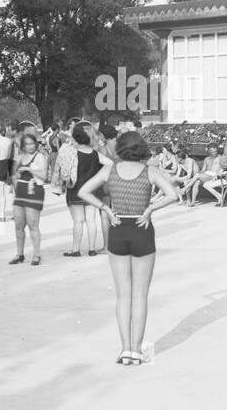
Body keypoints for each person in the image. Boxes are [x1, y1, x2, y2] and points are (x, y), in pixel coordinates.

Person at [77, 131, 179, 365]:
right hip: (141, 228)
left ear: (120, 148)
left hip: (118, 227)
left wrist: (105, 207)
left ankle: (124, 349)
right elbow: (173, 194)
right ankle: (136, 350)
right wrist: (150, 209)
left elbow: (83, 191)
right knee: (140, 296)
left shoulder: (109, 171)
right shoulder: (150, 172)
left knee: (123, 296)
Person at [61, 126, 109, 255]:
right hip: (92, 191)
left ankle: (76, 249)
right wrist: (100, 177)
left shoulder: (73, 154)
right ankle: (92, 249)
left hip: (75, 190)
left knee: (78, 221)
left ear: (76, 140)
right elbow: (110, 163)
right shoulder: (94, 153)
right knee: (91, 220)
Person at [6, 133, 49, 266]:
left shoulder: (40, 156)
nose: (30, 146)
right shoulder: (20, 157)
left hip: (34, 191)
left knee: (32, 224)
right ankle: (20, 254)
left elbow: (43, 175)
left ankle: (36, 254)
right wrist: (16, 176)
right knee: (18, 225)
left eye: (32, 143)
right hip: (20, 192)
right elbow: (14, 175)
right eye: (27, 144)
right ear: (23, 146)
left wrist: (28, 169)